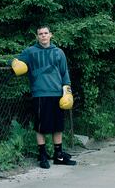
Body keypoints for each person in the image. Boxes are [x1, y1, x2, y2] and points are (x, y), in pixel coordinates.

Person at [12, 25, 76, 169]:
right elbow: (16, 61)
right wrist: (15, 63)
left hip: (57, 94)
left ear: (50, 35)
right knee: (41, 127)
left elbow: (64, 73)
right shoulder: (30, 52)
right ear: (37, 36)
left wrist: (67, 91)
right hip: (40, 94)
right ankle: (42, 155)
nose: (43, 36)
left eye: (46, 33)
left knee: (58, 126)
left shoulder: (59, 52)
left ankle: (58, 156)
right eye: (40, 34)